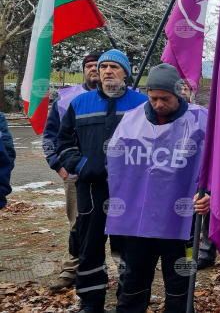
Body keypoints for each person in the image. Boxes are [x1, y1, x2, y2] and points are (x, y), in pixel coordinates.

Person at [110, 64, 208, 313]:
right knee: (134, 276)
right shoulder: (132, 120)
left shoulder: (201, 120)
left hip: (181, 218)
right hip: (138, 217)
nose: (158, 104)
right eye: (153, 98)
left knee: (179, 279)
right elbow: (116, 164)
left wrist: (209, 193)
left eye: (165, 98)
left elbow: (217, 165)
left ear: (178, 93)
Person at [56, 50, 149, 313]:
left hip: (130, 191)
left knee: (130, 247)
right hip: (91, 188)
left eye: (114, 67)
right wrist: (81, 165)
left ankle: (128, 299)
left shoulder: (143, 104)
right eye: (103, 66)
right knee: (90, 246)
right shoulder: (80, 103)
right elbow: (64, 142)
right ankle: (91, 302)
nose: (107, 70)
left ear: (126, 73)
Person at [42, 51, 101, 290]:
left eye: (99, 65)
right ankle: (71, 269)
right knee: (78, 223)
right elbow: (51, 136)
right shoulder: (66, 99)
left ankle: (125, 267)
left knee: (119, 223)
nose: (95, 69)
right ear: (83, 70)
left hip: (116, 177)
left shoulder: (126, 97)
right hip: (76, 175)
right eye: (89, 66)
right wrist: (58, 165)